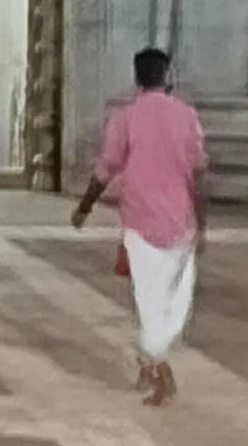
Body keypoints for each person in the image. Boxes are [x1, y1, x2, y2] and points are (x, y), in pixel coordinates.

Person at [71, 45, 208, 404]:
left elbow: (105, 169)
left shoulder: (125, 118)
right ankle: (151, 365)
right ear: (168, 76)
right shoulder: (187, 116)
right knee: (172, 301)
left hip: (141, 220)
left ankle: (161, 371)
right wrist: (203, 224)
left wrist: (84, 208)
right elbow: (201, 173)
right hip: (181, 221)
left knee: (148, 299)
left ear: (136, 78)